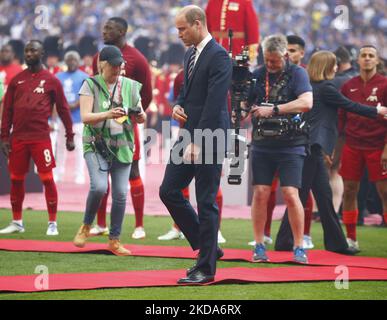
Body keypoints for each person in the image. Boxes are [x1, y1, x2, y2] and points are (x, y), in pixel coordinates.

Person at [275, 51, 387, 254]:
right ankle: (287, 240)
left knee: (323, 198)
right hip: (312, 147)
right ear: (327, 67)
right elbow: (350, 106)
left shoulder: (309, 87)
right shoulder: (326, 88)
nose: (337, 68)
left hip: (310, 145)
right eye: (334, 65)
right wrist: (377, 111)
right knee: (301, 196)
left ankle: (333, 243)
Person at [159, 5, 232, 284]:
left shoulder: (220, 56)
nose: (179, 34)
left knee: (205, 201)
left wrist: (198, 141)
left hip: (209, 136)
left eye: (182, 28)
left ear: (198, 24)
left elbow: (215, 103)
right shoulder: (191, 53)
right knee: (168, 190)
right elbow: (187, 92)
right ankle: (210, 247)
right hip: (189, 133)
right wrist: (178, 105)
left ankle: (206, 268)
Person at [73, 45, 146, 255]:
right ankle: (86, 226)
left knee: (121, 193)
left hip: (122, 147)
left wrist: (140, 117)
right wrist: (107, 114)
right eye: (113, 65)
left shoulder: (131, 87)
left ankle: (114, 240)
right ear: (102, 65)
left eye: (119, 64)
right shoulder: (90, 84)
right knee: (98, 187)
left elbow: (141, 115)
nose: (117, 68)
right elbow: (85, 117)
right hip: (95, 144)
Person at [246, 34, 313, 264]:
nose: (270, 65)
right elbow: (246, 105)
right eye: (267, 60)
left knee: (291, 194)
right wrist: (245, 105)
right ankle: (258, 245)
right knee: (261, 193)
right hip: (262, 143)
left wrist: (274, 109)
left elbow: (306, 103)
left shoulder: (298, 73)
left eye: (274, 61)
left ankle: (299, 247)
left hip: (291, 145)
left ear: (285, 55)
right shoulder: (256, 74)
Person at [0, 40, 75, 235]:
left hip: (41, 137)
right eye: (27, 50)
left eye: (33, 50)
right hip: (18, 138)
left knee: (47, 179)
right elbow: (7, 110)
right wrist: (4, 137)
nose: (29, 53)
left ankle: (52, 223)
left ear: (41, 53)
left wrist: (69, 134)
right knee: (16, 179)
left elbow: (64, 109)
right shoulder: (17, 80)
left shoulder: (51, 80)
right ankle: (17, 221)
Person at [90, 17, 152, 240]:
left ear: (123, 31)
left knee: (132, 171)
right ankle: (99, 224)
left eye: (109, 28)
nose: (104, 30)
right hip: (102, 124)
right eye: (104, 26)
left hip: (126, 126)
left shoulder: (138, 59)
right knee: (101, 171)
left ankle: (139, 226)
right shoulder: (99, 57)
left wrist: (133, 114)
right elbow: (93, 87)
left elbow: (147, 94)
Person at [339, 45, 387, 250]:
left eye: (371, 56)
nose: (367, 59)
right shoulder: (348, 85)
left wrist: (386, 149)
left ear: (377, 61)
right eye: (363, 55)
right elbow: (341, 121)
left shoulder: (385, 85)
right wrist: (336, 151)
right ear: (358, 60)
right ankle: (351, 239)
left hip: (378, 146)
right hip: (352, 145)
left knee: (384, 192)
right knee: (349, 191)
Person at [54, 51, 89, 184]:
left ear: (79, 61)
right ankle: (58, 173)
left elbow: (86, 95)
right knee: (60, 146)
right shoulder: (58, 76)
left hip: (78, 118)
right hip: (61, 118)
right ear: (65, 61)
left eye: (75, 60)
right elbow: (54, 95)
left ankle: (79, 175)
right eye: (69, 59)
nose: (72, 62)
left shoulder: (84, 77)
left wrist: (73, 104)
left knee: (80, 147)